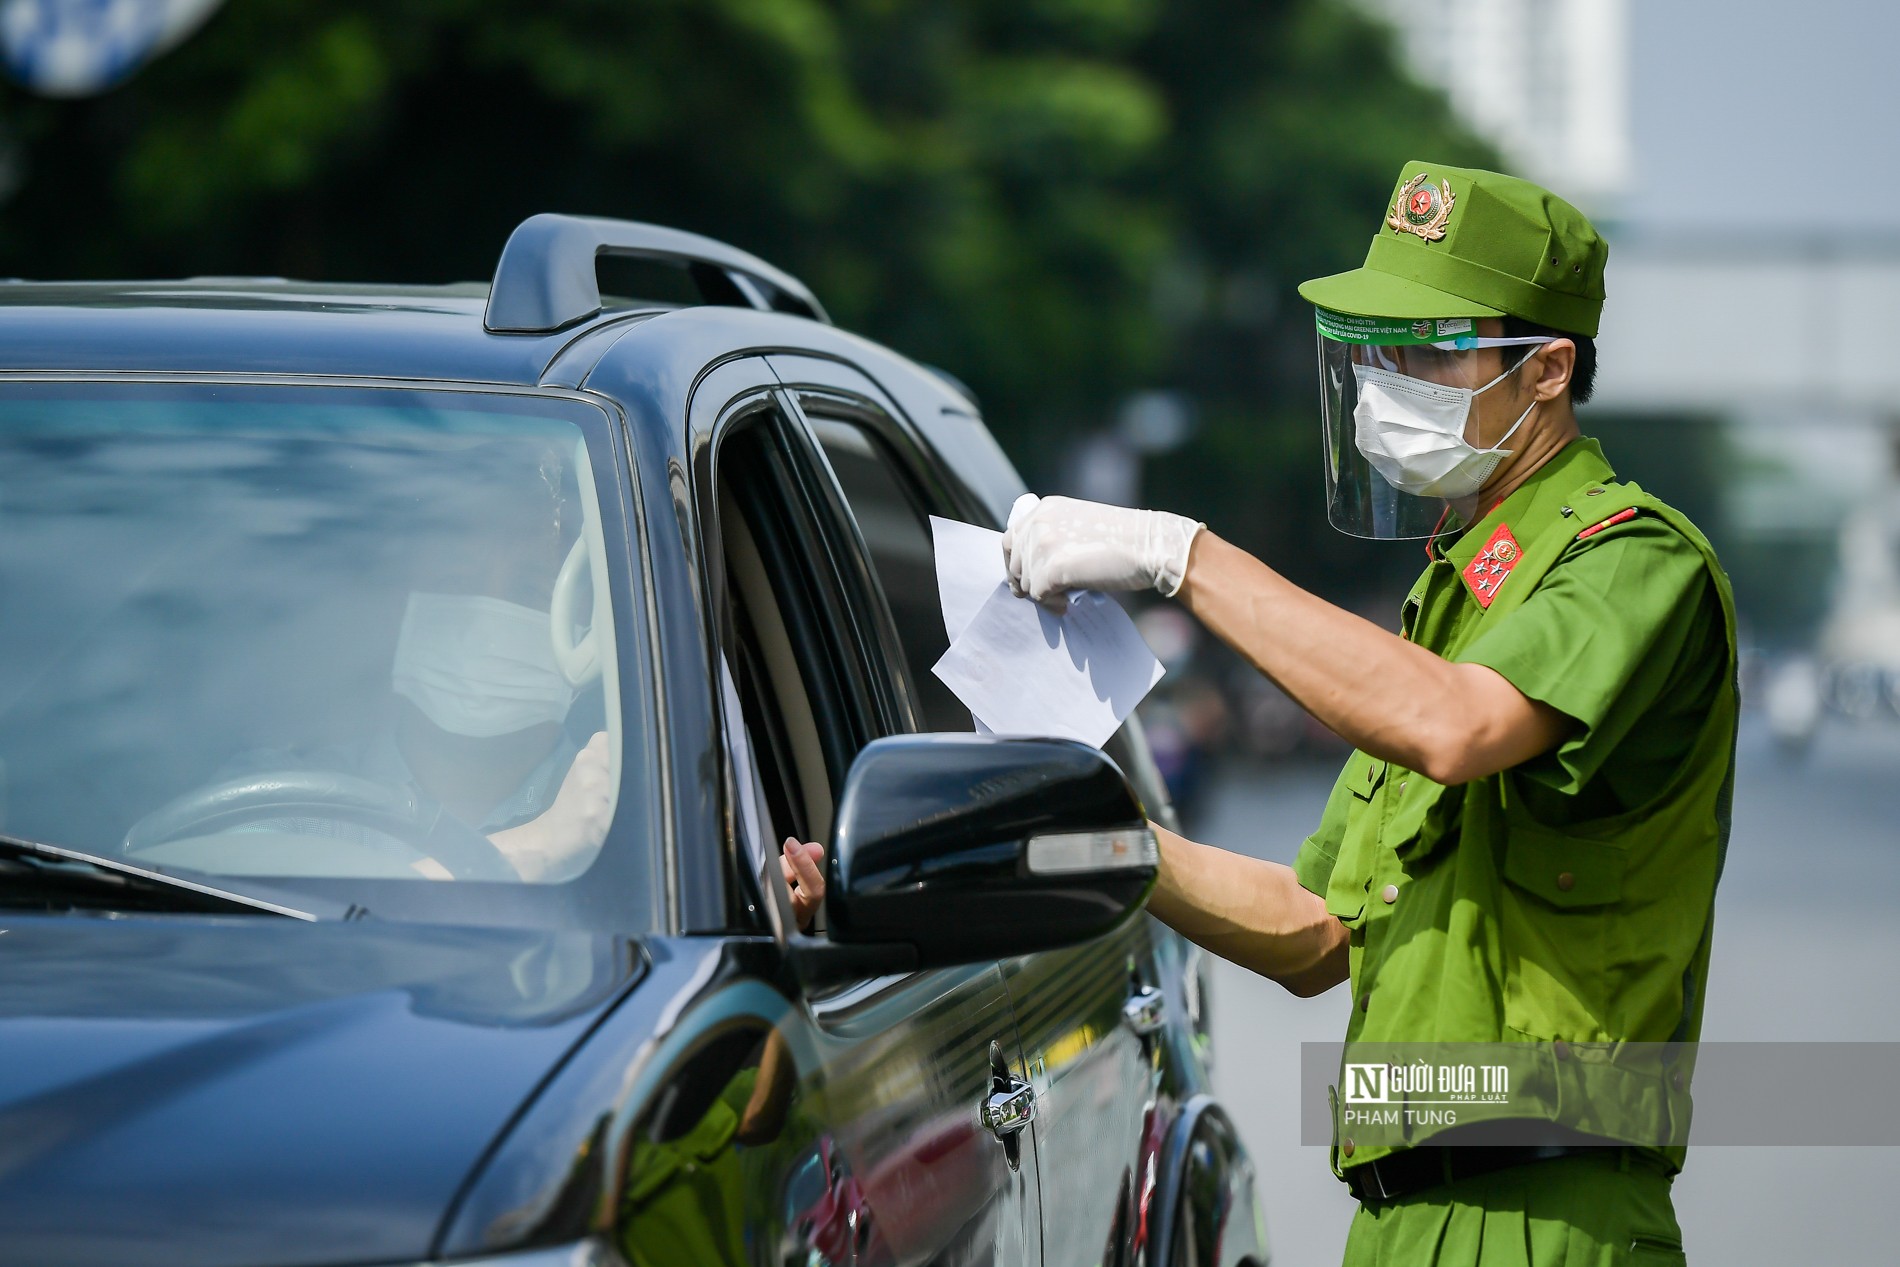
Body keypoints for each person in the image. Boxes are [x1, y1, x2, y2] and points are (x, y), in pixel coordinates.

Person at [1000, 163, 1737, 1265]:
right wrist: (1080, 834)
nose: (1393, 380)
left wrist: (1183, 555)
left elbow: (1457, 727)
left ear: (1546, 370)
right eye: (1381, 351)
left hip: (1546, 1217)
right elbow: (1314, 927)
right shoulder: (1454, 603)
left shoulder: (1633, 562)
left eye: (1432, 350)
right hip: (1399, 1219)